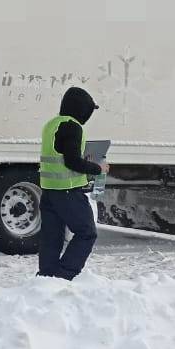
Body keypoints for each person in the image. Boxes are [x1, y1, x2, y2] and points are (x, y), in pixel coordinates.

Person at [37, 86, 108, 279]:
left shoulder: (52, 124)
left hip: (49, 191)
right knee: (86, 233)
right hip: (68, 192)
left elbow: (60, 156)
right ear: (81, 109)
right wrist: (97, 168)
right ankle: (64, 275)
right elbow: (72, 161)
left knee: (52, 237)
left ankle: (46, 277)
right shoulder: (72, 126)